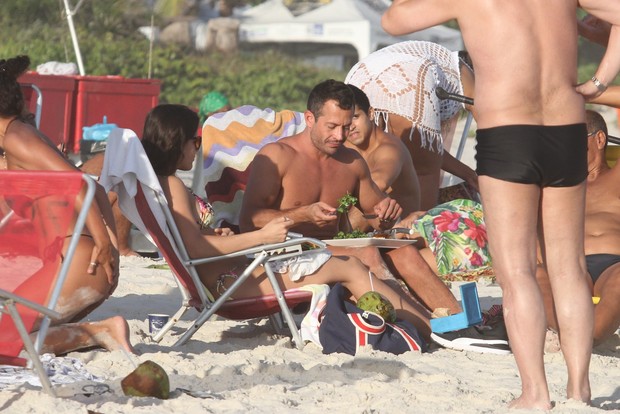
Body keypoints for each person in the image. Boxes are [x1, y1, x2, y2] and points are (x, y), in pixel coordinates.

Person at [381, 1, 620, 409]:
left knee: (518, 272)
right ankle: (579, 389)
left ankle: (535, 394)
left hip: (509, 129)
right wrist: (600, 81)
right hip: (565, 125)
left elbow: (394, 20)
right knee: (569, 267)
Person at [239, 79, 509, 353]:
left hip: (333, 248)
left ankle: (457, 321)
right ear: (310, 118)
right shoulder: (278, 155)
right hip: (285, 251)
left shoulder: (351, 162)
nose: (340, 136)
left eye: (346, 126)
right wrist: (301, 214)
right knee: (366, 253)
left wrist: (386, 212)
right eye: (331, 127)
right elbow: (249, 220)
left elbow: (375, 212)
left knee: (401, 250)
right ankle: (431, 328)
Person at [140, 102, 437, 341]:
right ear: (177, 142)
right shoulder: (173, 185)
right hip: (234, 286)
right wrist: (262, 237)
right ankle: (429, 328)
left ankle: (415, 323)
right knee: (349, 265)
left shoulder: (160, 185)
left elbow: (193, 241)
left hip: (233, 275)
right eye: (195, 141)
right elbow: (195, 250)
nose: (197, 147)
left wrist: (213, 232)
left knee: (346, 263)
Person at [0, 55, 132, 355]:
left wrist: (103, 244)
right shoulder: (21, 135)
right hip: (81, 263)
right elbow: (95, 187)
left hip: (77, 263)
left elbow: (80, 185)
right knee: (12, 336)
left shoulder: (16, 139)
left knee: (5, 340)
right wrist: (110, 247)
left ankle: (101, 332)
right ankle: (97, 332)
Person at [345, 41, 478, 210]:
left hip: (362, 73)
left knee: (361, 165)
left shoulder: (439, 60)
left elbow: (425, 148)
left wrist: (469, 175)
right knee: (424, 173)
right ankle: (418, 231)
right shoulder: (465, 68)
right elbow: (490, 119)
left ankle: (346, 220)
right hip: (409, 78)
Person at [537, 110, 620, 347]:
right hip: (569, 263)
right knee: (532, 273)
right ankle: (565, 333)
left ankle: (584, 336)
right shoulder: (554, 187)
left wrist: (590, 89)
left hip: (615, 264)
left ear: (600, 139)